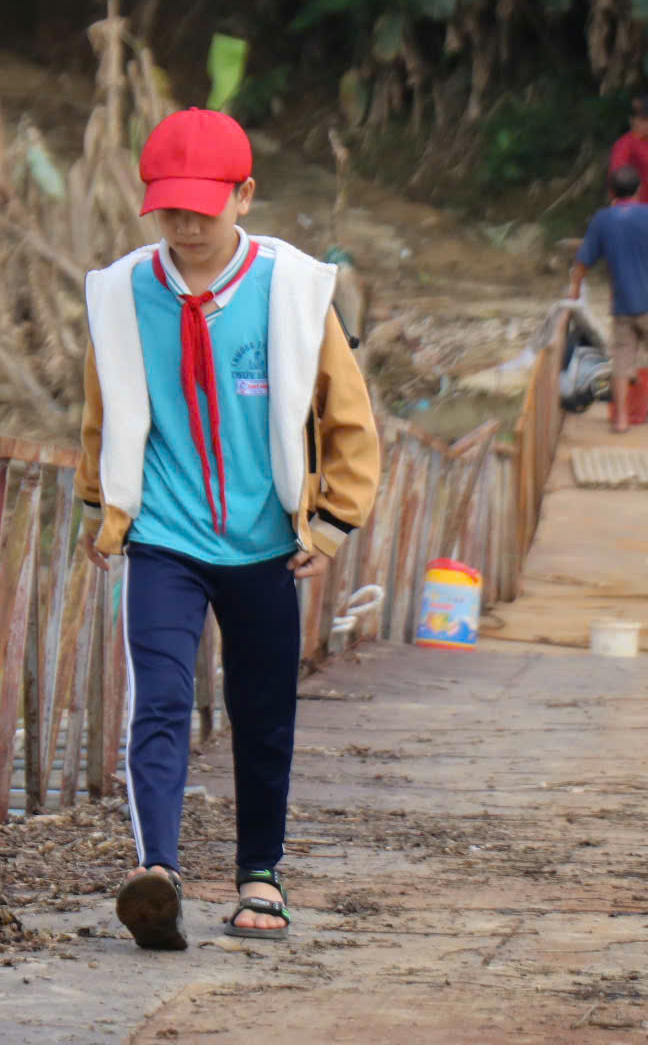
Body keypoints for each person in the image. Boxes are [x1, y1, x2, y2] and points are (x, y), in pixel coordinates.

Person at [76, 107, 381, 950]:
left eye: (203, 210)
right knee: (161, 700)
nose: (185, 227)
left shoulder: (292, 291)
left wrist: (328, 522)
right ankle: (160, 874)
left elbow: (348, 418)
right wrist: (102, 508)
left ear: (245, 196)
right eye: (169, 209)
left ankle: (260, 877)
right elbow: (103, 412)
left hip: (263, 543)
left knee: (263, 710)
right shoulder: (122, 291)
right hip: (164, 537)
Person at [568, 166, 648, 434]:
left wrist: (574, 289)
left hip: (622, 307)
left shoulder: (602, 219)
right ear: (639, 190)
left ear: (611, 192)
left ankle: (620, 420)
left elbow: (582, 261)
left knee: (621, 363)